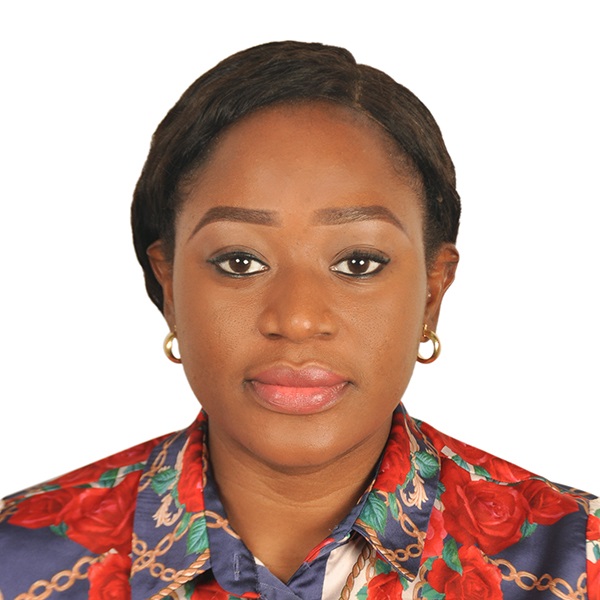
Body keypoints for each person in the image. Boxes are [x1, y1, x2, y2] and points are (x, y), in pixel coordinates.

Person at [0, 40, 597, 600]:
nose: (298, 319)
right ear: (170, 286)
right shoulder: (17, 563)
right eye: (240, 261)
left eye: (359, 262)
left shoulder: (578, 561)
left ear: (432, 292)